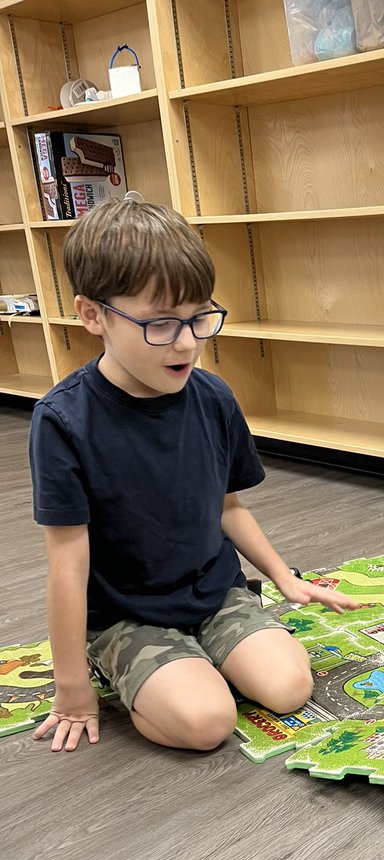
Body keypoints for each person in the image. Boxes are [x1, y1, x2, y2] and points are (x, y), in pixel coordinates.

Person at [29, 197, 360, 754]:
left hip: (214, 593)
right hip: (126, 614)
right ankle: (122, 663)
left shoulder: (212, 397)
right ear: (92, 316)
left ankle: (199, 656)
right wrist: (72, 690)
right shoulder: (62, 420)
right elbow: (67, 565)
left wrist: (284, 577)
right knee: (206, 723)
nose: (186, 342)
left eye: (198, 317)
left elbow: (228, 507)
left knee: (290, 688)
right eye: (160, 324)